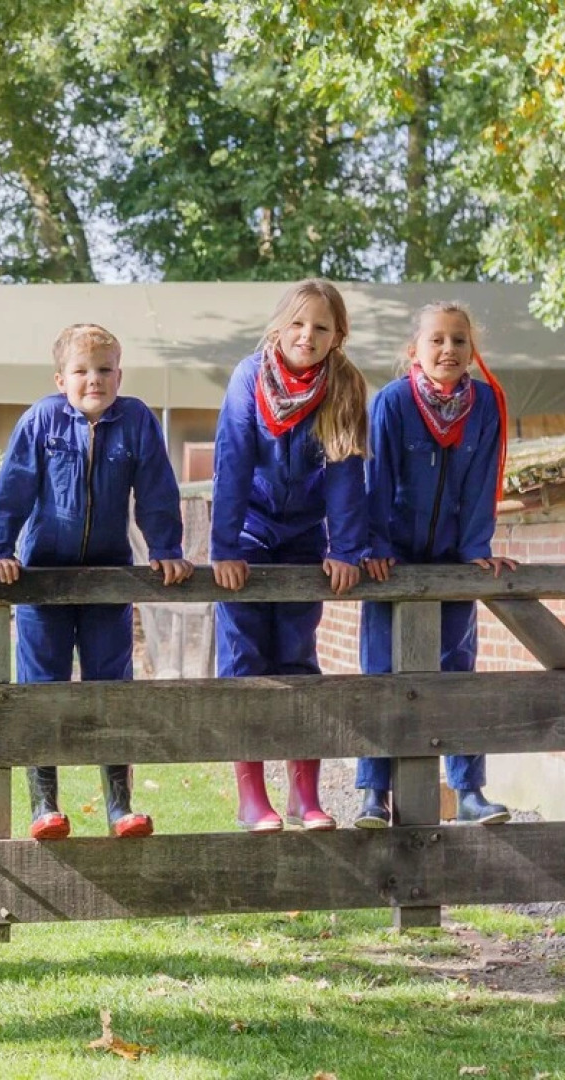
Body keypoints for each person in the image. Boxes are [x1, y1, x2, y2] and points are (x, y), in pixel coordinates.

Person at [0, 323, 192, 840]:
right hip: (44, 579)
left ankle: (120, 806)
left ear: (119, 375)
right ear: (61, 379)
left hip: (107, 578)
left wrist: (166, 549)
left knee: (110, 688)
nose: (93, 379)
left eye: (104, 370)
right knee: (41, 688)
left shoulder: (136, 421)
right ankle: (44, 805)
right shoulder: (42, 421)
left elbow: (157, 489)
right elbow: (14, 487)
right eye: (81, 371)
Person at [210, 279, 368, 832]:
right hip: (249, 534)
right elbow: (231, 461)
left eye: (321, 327)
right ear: (278, 327)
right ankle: (252, 797)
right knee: (244, 659)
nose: (307, 335)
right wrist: (225, 547)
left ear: (337, 336)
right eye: (297, 323)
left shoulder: (343, 386)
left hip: (304, 537)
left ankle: (305, 794)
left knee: (298, 658)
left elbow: (347, 472)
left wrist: (345, 548)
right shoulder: (248, 377)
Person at [356, 301, 515, 827]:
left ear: (472, 350)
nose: (449, 349)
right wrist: (376, 545)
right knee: (380, 673)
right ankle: (374, 793)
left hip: (451, 561)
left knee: (457, 672)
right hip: (391, 563)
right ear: (414, 351)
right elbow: (376, 479)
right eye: (437, 340)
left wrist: (475, 549)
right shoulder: (392, 402)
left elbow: (482, 481)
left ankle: (468, 792)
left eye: (459, 340)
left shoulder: (485, 404)